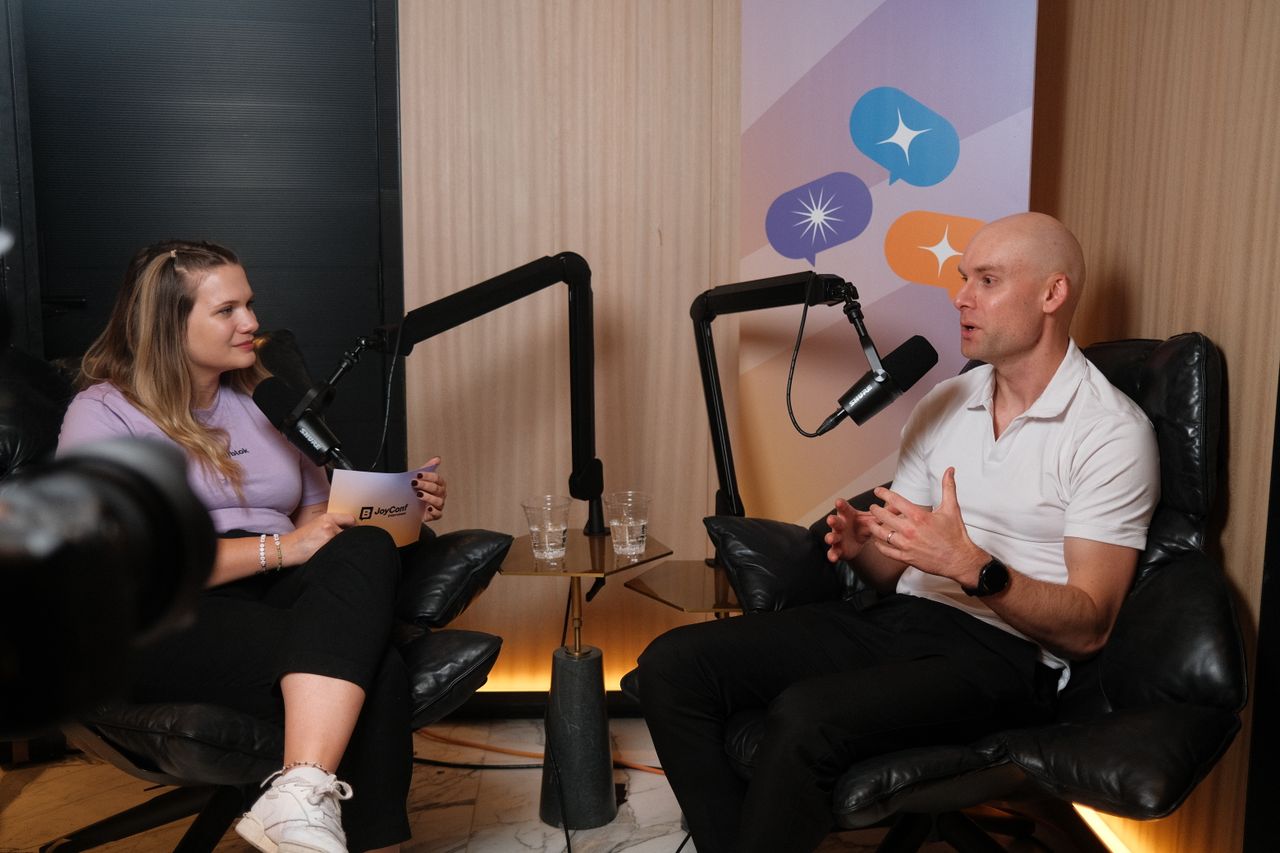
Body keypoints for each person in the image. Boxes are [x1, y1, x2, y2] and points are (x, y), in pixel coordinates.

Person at [636, 212, 1160, 853]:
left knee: (804, 716)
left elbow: (1089, 627)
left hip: (1003, 656)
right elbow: (895, 571)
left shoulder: (1110, 433)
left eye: (987, 280)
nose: (961, 297)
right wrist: (866, 548)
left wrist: (972, 567)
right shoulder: (945, 403)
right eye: (963, 277)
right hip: (899, 620)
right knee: (673, 664)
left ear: (1053, 294)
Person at [57, 240, 447, 853]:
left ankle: (299, 794)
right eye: (227, 310)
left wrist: (398, 502)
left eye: (249, 304)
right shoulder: (104, 414)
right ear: (167, 324)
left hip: (273, 586)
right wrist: (280, 549)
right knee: (376, 668)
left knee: (369, 542)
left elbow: (320, 515)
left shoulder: (264, 399)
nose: (252, 323)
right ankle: (321, 808)